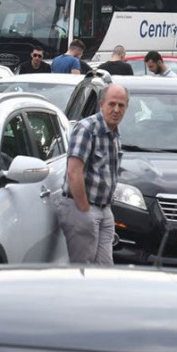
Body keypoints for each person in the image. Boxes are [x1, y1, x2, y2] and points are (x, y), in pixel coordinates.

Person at [56, 83, 128, 265]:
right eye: (112, 104)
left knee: (105, 269)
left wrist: (106, 209)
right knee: (83, 270)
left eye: (121, 105)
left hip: (104, 210)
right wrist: (84, 209)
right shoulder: (87, 128)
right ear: (101, 104)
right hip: (81, 207)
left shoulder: (115, 132)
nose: (116, 109)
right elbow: (73, 171)